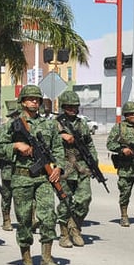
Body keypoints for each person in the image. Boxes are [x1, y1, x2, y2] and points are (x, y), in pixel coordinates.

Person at [0, 85, 66, 265]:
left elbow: (58, 148)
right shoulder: (12, 125)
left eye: (37, 99)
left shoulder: (49, 125)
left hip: (43, 178)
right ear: (23, 102)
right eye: (30, 99)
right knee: (24, 220)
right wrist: (16, 146)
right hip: (22, 178)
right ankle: (26, 260)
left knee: (48, 217)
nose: (34, 102)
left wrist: (58, 166)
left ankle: (46, 259)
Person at [54, 90, 97, 248]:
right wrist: (61, 136)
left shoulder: (82, 123)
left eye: (75, 106)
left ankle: (75, 227)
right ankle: (65, 233)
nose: (72, 109)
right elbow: (43, 139)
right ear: (63, 106)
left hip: (81, 167)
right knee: (65, 201)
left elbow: (89, 143)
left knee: (85, 198)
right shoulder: (54, 123)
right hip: (64, 167)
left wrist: (94, 162)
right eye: (69, 106)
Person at [0, 100, 21, 231]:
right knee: (7, 194)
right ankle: (6, 219)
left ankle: (31, 218)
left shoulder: (28, 126)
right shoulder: (4, 128)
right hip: (9, 167)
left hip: (25, 167)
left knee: (27, 194)